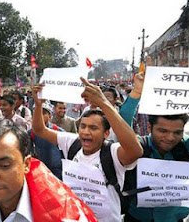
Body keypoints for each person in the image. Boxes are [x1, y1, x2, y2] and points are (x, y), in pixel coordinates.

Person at [32, 77, 143, 221]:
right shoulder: (72, 143)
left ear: (106, 133)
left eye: (93, 128)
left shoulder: (113, 152)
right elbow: (40, 130)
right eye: (83, 126)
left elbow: (136, 151)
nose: (85, 132)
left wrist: (103, 103)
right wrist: (38, 105)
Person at [125, 114, 189, 222]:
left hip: (172, 219)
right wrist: (134, 97)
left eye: (177, 132)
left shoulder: (185, 148)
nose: (170, 138)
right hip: (137, 217)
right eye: (163, 131)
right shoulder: (138, 147)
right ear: (149, 127)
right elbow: (124, 120)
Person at [28, 102, 64, 179]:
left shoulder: (58, 131)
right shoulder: (31, 133)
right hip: (41, 170)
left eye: (43, 113)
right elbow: (28, 151)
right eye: (37, 113)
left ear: (50, 116)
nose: (40, 116)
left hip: (58, 171)